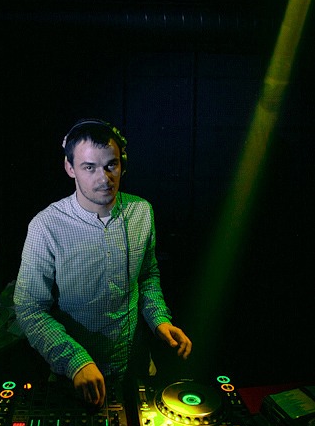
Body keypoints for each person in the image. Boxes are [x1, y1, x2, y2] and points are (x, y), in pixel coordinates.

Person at [13, 118, 192, 408]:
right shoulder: (45, 226)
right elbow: (29, 307)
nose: (104, 178)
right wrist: (75, 361)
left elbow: (147, 276)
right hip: (75, 377)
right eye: (89, 167)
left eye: (111, 165)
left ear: (123, 164)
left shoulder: (141, 212)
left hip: (135, 365)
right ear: (70, 168)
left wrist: (159, 319)